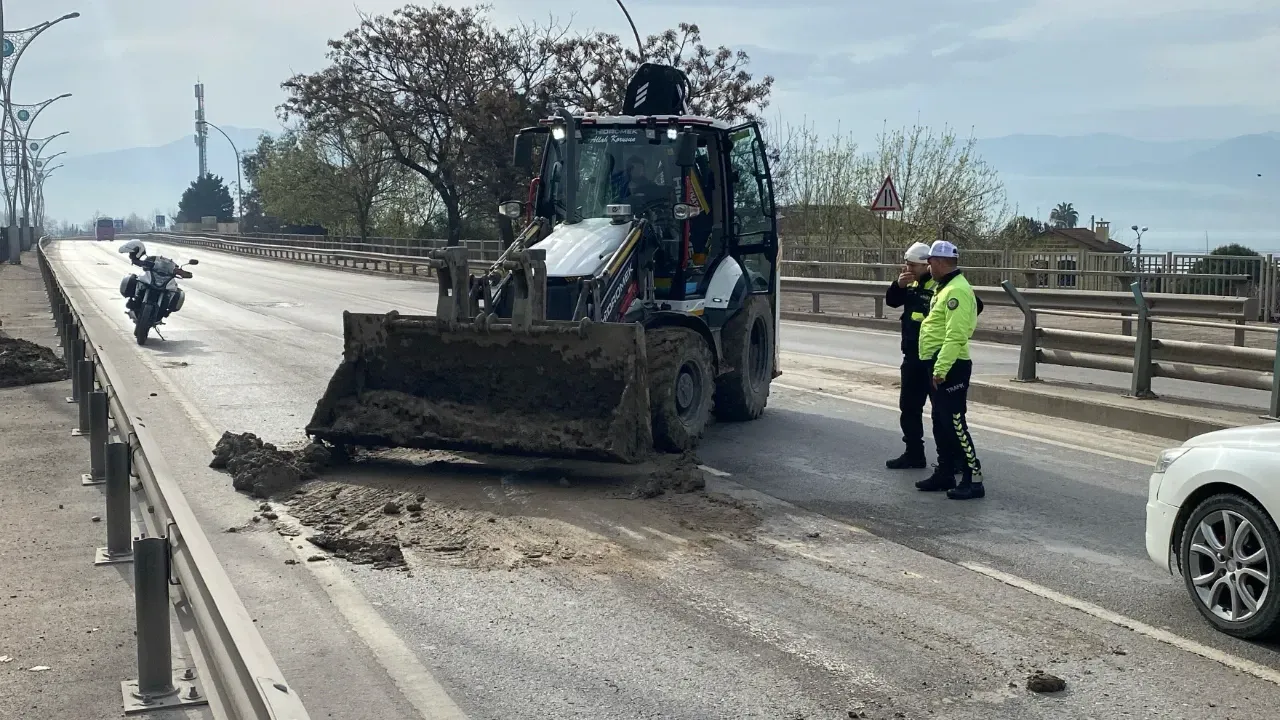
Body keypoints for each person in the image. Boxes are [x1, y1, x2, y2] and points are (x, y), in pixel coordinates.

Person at [915, 239, 985, 500]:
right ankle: (945, 472)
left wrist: (941, 369)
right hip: (938, 363)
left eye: (930, 262)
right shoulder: (944, 287)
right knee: (940, 422)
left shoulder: (956, 291)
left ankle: (973, 478)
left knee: (955, 423)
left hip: (951, 366)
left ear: (941, 262)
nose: (928, 266)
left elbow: (956, 336)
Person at [883, 242, 936, 469]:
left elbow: (974, 306)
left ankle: (951, 461)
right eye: (906, 264)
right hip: (912, 355)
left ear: (926, 265)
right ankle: (914, 453)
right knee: (909, 407)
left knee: (942, 412)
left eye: (912, 265)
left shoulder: (942, 285)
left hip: (935, 358)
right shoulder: (909, 283)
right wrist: (898, 285)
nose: (907, 268)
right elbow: (892, 301)